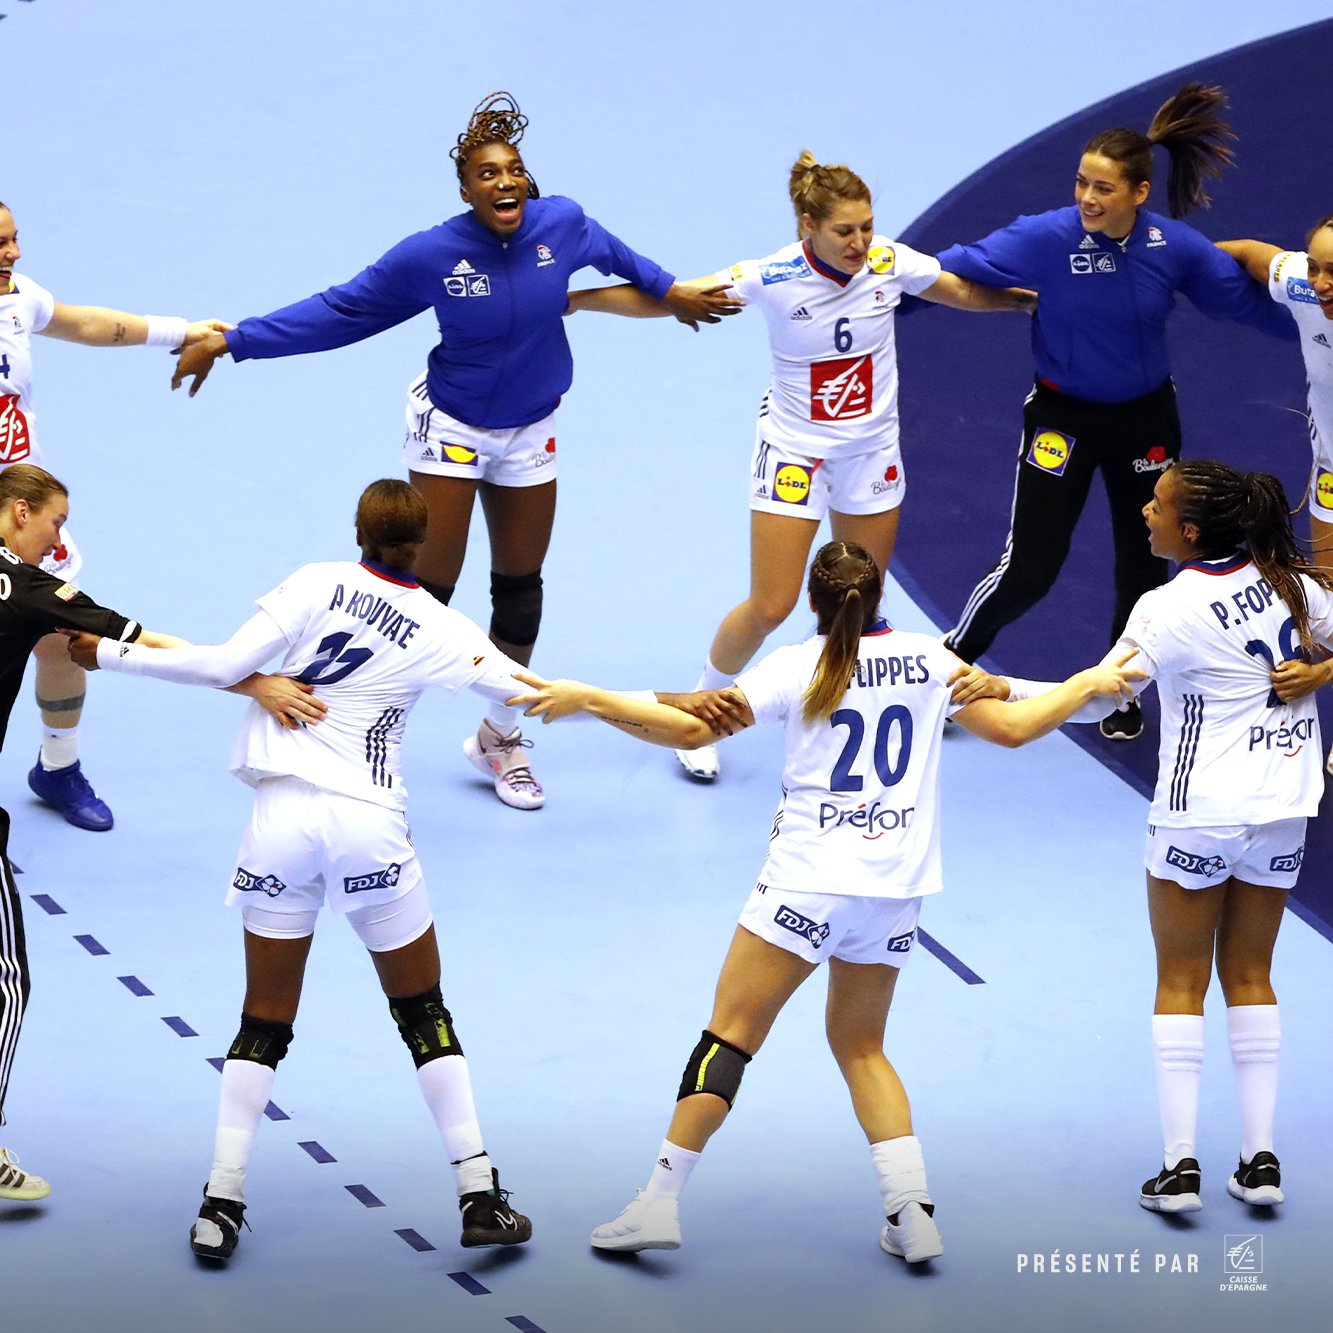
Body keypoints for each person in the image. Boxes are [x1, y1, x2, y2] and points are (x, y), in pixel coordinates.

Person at [511, 540, 1137, 1261]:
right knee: (863, 1047)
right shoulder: (931, 660)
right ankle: (912, 1213)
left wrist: (589, 700)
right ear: (878, 596)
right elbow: (1018, 726)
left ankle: (656, 1204)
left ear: (811, 602)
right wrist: (1087, 683)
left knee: (730, 1036)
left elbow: (691, 727)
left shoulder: (793, 666)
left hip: (806, 882)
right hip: (893, 893)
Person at [169, 92, 735, 813]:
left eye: (513, 170)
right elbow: (343, 310)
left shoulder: (562, 223)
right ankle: (366, 731)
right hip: (452, 426)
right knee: (424, 594)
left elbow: (622, 259)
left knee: (520, 590)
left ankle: (499, 738)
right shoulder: (431, 254)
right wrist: (234, 340)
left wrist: (671, 291)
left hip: (531, 425)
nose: (504, 182)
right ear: (466, 191)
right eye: (487, 174)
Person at [68, 479, 540, 1260]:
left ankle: (219, 1204)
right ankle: (479, 1193)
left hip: (280, 822)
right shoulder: (443, 626)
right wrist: (616, 711)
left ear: (358, 530)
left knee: (263, 1018)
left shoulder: (317, 581)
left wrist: (110, 653)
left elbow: (222, 664)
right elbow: (523, 689)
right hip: (368, 825)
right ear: (423, 544)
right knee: (422, 1010)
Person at [568, 152, 1033, 783]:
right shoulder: (772, 276)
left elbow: (961, 291)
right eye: (845, 231)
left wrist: (1026, 303)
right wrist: (576, 301)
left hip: (870, 453)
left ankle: (850, 707)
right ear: (808, 227)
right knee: (770, 605)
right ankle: (702, 707)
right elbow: (673, 298)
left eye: (867, 227)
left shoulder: (889, 263)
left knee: (862, 604)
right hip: (796, 454)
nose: (860, 242)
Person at [932, 84, 1295, 742]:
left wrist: (1318, 326)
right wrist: (870, 289)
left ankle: (1119, 692)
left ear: (1138, 192)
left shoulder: (1173, 247)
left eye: (1103, 188)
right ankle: (945, 668)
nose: (1087, 199)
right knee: (1031, 566)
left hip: (1144, 423)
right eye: (1081, 184)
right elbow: (948, 267)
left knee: (1143, 564)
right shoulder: (1046, 237)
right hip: (1061, 420)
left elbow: (1242, 303)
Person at [1117, 462, 1329, 1212]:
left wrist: (1006, 692)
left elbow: (1103, 697)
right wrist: (1323, 672)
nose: (1145, 511)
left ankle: (1180, 1168)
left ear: (1189, 531)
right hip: (1282, 806)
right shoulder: (1291, 584)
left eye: (1157, 504)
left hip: (1199, 811)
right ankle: (1259, 1160)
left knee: (1180, 980)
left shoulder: (1165, 608)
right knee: (1250, 974)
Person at [0, 200, 229, 829]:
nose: (13, 253)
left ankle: (58, 765)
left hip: (23, 513)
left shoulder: (17, 298)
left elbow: (86, 322)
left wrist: (179, 332)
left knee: (58, 640)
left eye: (14, 239)